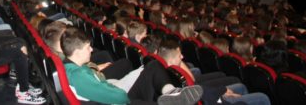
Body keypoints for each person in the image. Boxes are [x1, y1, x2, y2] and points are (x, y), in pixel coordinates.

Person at [61, 27, 203, 104]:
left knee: (154, 64)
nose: (91, 50)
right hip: (123, 100)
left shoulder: (74, 67)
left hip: (119, 95)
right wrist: (118, 90)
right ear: (77, 52)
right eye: (87, 47)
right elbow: (118, 97)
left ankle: (171, 92)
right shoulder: (78, 75)